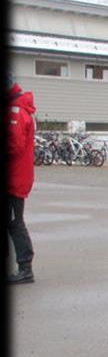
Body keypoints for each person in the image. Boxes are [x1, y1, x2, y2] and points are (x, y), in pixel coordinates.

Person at [7, 74, 37, 284]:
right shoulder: (16, 108)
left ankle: (25, 268)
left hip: (13, 179)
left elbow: (14, 145)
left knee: (15, 223)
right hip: (16, 176)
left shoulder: (16, 111)